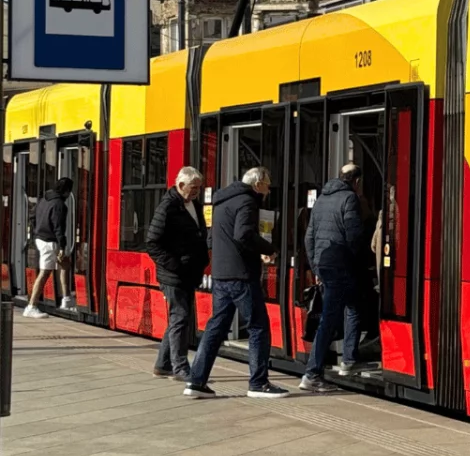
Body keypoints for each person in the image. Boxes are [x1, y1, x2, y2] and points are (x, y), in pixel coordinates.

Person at [183, 166, 289, 399]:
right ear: (257, 183)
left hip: (221, 274)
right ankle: (258, 383)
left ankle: (196, 381)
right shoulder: (247, 201)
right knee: (258, 327)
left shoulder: (221, 201)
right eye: (267, 185)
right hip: (241, 276)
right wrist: (268, 249)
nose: (269, 190)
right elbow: (243, 235)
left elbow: (212, 238)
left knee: (215, 327)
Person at [300, 163, 368, 392]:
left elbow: (309, 237)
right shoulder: (350, 199)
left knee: (353, 305)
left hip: (326, 265)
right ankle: (313, 374)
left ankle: (348, 359)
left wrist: (316, 266)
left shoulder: (321, 199)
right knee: (331, 317)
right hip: (341, 266)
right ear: (356, 181)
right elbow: (354, 235)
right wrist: (358, 261)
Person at [145, 167, 209, 382]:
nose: (196, 192)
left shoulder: (194, 205)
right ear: (180, 185)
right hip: (174, 274)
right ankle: (180, 368)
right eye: (193, 188)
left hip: (189, 272)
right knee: (180, 318)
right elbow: (152, 242)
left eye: (199, 189)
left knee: (178, 319)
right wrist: (174, 264)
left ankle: (163, 365)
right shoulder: (168, 207)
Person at [23, 178, 74, 318]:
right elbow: (59, 228)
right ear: (66, 191)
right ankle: (31, 306)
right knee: (45, 273)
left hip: (40, 238)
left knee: (64, 263)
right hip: (50, 241)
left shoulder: (44, 198)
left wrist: (37, 230)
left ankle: (67, 299)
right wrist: (62, 246)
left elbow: (32, 216)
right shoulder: (59, 205)